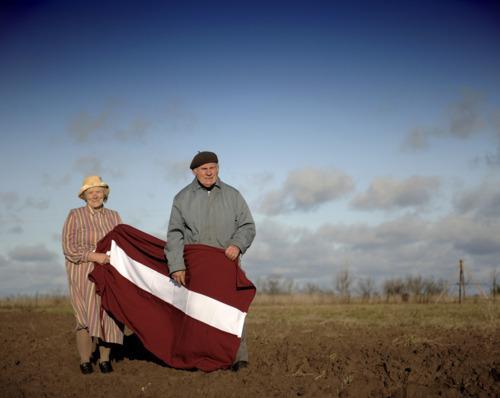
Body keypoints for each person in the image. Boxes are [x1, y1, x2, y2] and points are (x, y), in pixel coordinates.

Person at [165, 151, 256, 371]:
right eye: (204, 169)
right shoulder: (182, 198)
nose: (209, 172)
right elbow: (175, 234)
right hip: (196, 267)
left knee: (231, 311)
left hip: (226, 262)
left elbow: (247, 226)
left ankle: (238, 357)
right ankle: (199, 357)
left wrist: (237, 245)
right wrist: (176, 265)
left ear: (218, 168)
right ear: (195, 172)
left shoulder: (233, 195)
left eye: (213, 167)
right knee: (198, 314)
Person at [62, 176, 123, 374]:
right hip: (83, 272)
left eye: (99, 191)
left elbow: (122, 242)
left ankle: (105, 360)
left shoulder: (114, 216)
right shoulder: (75, 214)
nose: (95, 195)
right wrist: (93, 256)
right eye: (91, 192)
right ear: (84, 196)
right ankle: (85, 360)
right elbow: (68, 248)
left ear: (104, 194)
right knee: (85, 317)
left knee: (108, 314)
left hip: (108, 271)